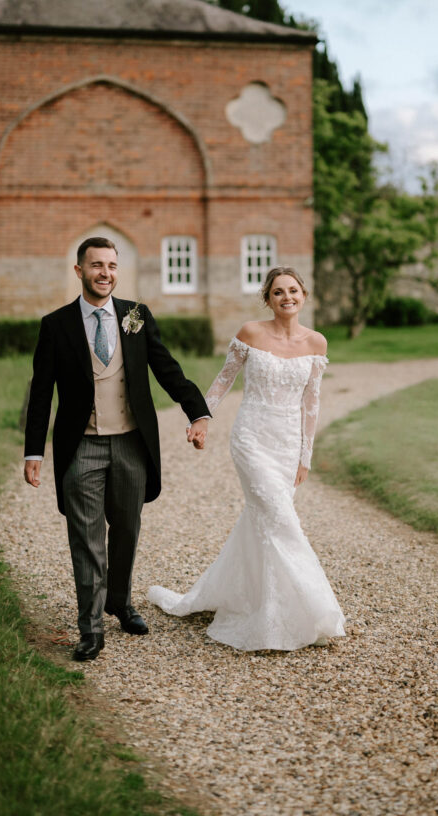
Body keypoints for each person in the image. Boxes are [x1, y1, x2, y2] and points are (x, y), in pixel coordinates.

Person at [24, 236, 210, 662]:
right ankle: (90, 629)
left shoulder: (136, 316)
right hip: (81, 447)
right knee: (87, 540)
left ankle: (120, 602)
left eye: (111, 265)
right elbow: (41, 395)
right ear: (79, 271)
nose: (105, 273)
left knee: (126, 529)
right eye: (96, 266)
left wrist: (196, 412)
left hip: (131, 443)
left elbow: (166, 368)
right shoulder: (56, 325)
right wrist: (34, 452)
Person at [148, 266, 345, 651]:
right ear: (268, 299)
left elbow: (311, 405)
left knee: (264, 523)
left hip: (287, 444)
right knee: (281, 520)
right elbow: (223, 380)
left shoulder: (316, 343)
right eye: (278, 292)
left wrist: (305, 455)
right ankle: (313, 612)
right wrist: (200, 418)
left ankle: (260, 602)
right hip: (252, 438)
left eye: (293, 290)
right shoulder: (250, 333)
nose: (286, 297)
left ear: (303, 295)